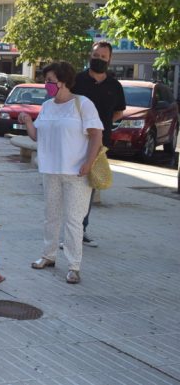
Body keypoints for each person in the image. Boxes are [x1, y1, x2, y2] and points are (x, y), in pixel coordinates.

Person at [18, 62, 103, 284]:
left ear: (64, 82)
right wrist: (27, 121)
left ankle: (74, 266)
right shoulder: (47, 106)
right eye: (45, 80)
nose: (47, 85)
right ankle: (48, 255)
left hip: (76, 173)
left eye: (51, 81)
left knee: (74, 220)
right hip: (51, 170)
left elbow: (96, 136)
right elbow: (37, 136)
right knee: (51, 216)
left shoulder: (82, 104)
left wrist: (89, 162)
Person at [72, 42, 126, 247]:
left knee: (89, 186)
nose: (99, 59)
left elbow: (119, 111)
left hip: (99, 143)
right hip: (75, 139)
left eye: (103, 57)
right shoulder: (77, 80)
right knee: (71, 183)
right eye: (96, 55)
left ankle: (81, 228)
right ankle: (70, 227)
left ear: (110, 60)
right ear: (90, 55)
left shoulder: (115, 86)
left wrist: (100, 125)